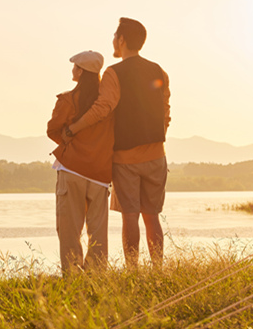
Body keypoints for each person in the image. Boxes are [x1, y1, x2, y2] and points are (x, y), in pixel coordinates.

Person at [64, 18, 170, 269]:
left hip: (125, 159)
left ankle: (133, 270)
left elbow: (103, 108)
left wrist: (74, 128)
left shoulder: (114, 72)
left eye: (115, 35)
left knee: (130, 217)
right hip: (157, 155)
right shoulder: (159, 71)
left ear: (122, 40)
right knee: (152, 217)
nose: (113, 40)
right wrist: (158, 134)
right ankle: (158, 271)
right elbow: (166, 111)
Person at [47, 50, 114, 273]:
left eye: (75, 66)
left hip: (72, 170)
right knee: (98, 231)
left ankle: (73, 276)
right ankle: (97, 276)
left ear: (81, 71)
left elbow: (53, 130)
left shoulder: (67, 100)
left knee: (69, 229)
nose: (72, 70)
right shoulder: (109, 106)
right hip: (100, 173)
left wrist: (69, 139)